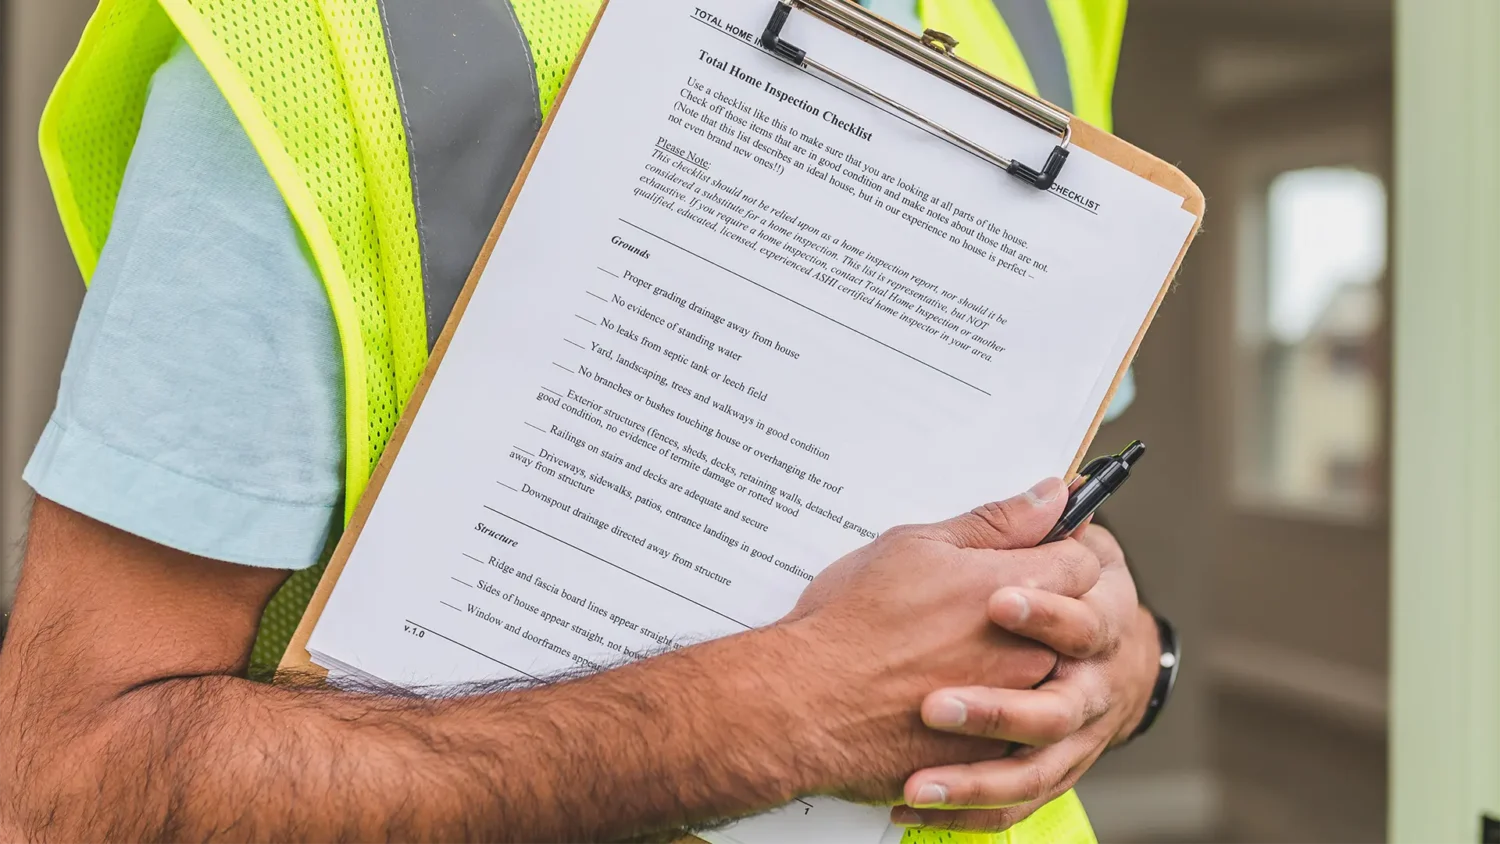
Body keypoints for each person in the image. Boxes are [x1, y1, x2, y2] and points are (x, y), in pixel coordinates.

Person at [0, 0, 1172, 840]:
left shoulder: (1047, 20)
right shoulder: (313, 41)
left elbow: (1034, 530)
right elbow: (70, 787)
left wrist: (1121, 668)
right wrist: (785, 711)